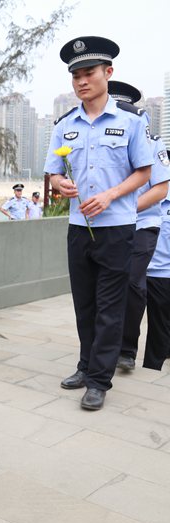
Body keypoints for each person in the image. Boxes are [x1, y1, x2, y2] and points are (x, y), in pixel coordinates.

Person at [44, 36, 153, 411]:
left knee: (110, 307)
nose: (81, 81)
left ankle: (99, 381)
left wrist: (109, 195)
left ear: (108, 72)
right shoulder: (65, 125)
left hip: (117, 228)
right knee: (85, 305)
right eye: (75, 75)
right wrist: (62, 185)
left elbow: (143, 172)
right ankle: (85, 365)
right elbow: (53, 175)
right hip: (79, 229)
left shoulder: (131, 122)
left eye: (88, 73)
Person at [108, 81, 170, 371]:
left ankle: (127, 350)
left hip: (143, 224)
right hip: (108, 226)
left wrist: (124, 207)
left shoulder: (151, 141)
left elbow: (159, 190)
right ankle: (99, 350)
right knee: (103, 289)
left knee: (133, 283)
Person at [145, 191, 170, 370]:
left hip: (163, 273)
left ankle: (153, 367)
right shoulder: (141, 200)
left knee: (160, 326)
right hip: (138, 271)